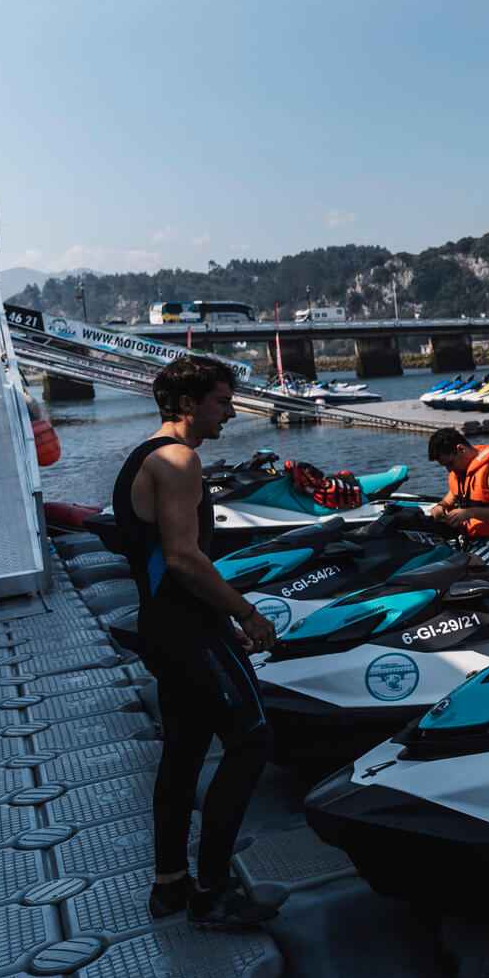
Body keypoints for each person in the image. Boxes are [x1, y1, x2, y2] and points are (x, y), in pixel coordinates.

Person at [111, 356, 281, 930]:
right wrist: (247, 613)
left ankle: (170, 884)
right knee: (252, 740)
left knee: (183, 751)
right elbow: (184, 557)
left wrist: (215, 619)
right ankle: (213, 892)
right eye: (221, 402)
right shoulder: (179, 460)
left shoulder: (142, 456)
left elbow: (162, 560)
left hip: (165, 627)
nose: (231, 412)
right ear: (188, 405)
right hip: (187, 631)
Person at [423, 427, 489, 539]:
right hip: (470, 538)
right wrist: (441, 506)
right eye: (445, 466)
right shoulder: (461, 471)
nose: (449, 470)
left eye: (450, 463)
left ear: (461, 449)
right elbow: (451, 496)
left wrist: (470, 513)